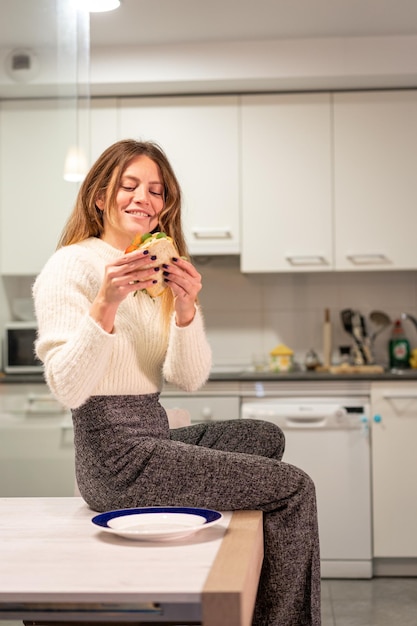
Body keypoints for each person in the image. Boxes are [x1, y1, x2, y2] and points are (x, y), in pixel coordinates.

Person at [33, 139, 321, 626]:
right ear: (100, 196)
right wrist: (105, 303)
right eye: (129, 185)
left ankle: (239, 573)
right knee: (294, 488)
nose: (143, 198)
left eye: (156, 190)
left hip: (153, 433)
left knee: (264, 437)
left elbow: (188, 378)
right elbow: (67, 388)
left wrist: (186, 309)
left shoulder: (153, 271)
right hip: (115, 458)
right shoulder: (71, 267)